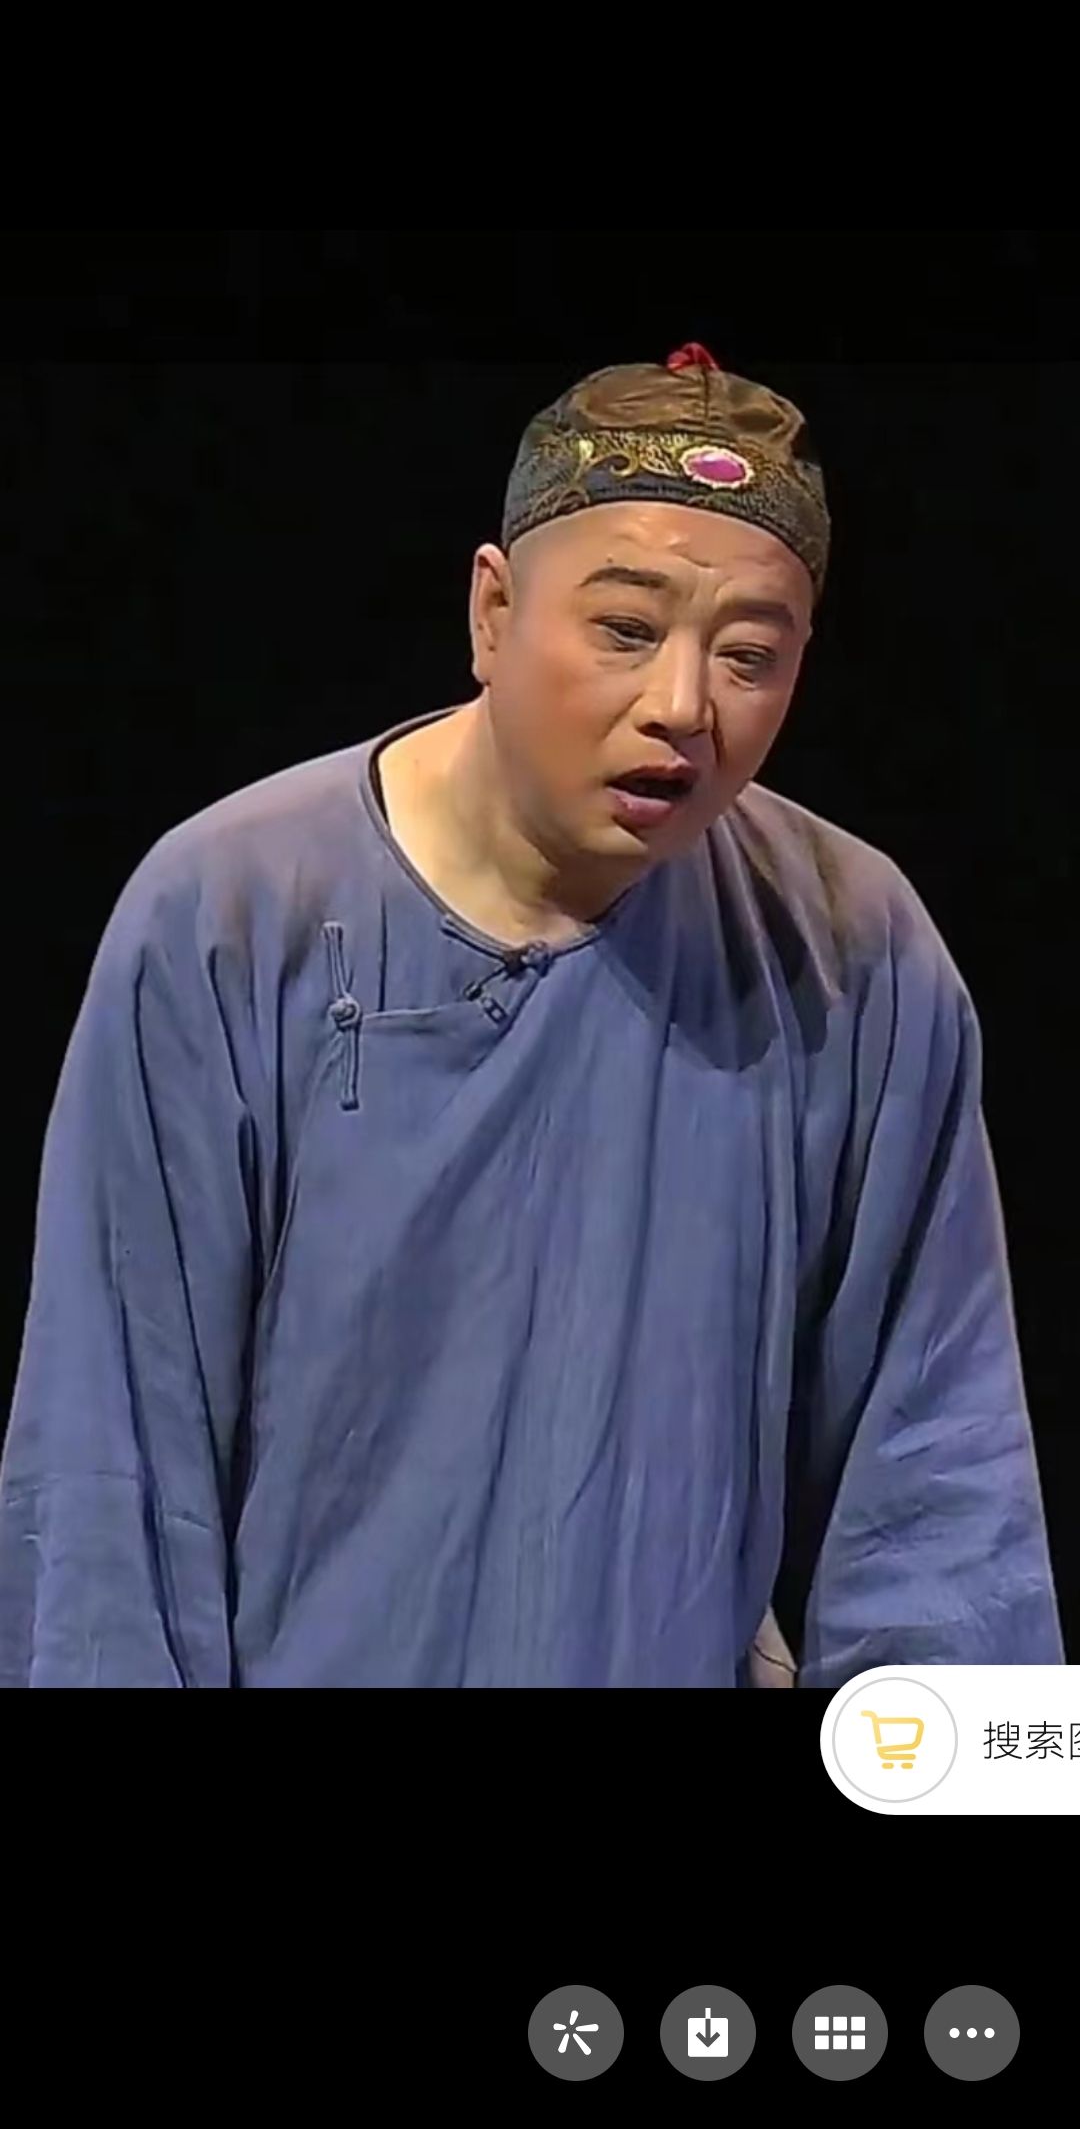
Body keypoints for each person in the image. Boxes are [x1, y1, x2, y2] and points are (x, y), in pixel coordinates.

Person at [0, 345, 1063, 1689]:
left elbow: (945, 1493)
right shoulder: (234, 915)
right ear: (493, 610)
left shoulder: (855, 953)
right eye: (625, 631)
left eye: (749, 655)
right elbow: (112, 1478)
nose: (683, 707)